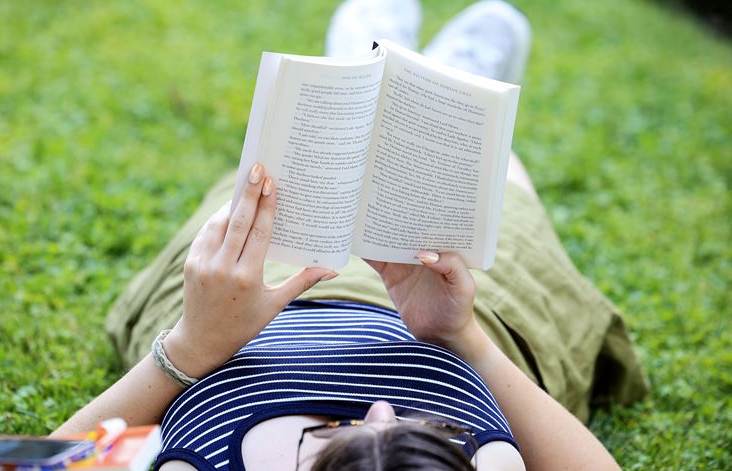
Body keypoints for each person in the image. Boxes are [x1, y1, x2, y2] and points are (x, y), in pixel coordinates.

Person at [53, 1, 649, 469]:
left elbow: (42, 464)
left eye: (333, 439)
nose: (382, 407)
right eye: (427, 434)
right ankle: (443, 79)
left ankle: (367, 71)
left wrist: (192, 344)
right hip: (440, 310)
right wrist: (461, 335)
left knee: (286, 180)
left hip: (248, 296)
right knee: (493, 198)